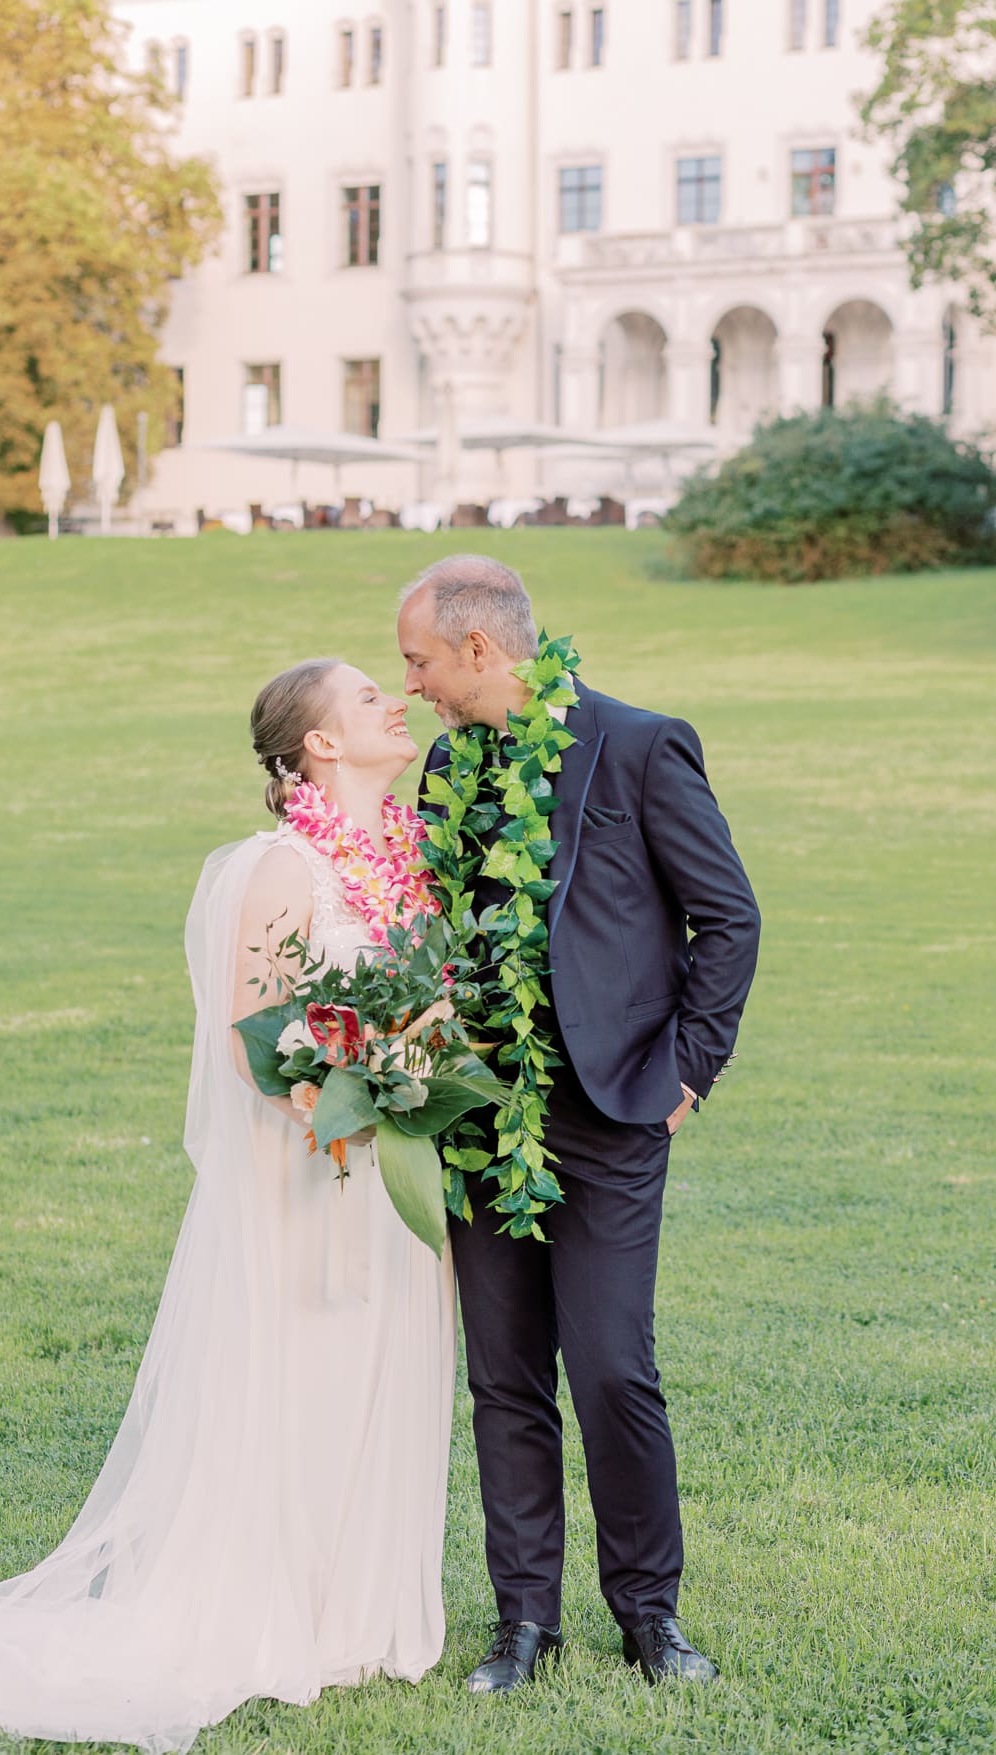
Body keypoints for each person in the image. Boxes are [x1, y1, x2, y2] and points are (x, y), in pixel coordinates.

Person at [0, 661, 455, 1752]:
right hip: (307, 1169)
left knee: (381, 1374)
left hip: (388, 1171)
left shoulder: (406, 866)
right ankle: (269, 1613)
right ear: (316, 747)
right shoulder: (277, 869)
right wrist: (350, 1092)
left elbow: (424, 1008)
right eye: (364, 698)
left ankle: (356, 1615)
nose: (390, 704)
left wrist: (415, 1068)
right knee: (304, 1373)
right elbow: (259, 1040)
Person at [397, 555, 761, 1694]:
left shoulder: (642, 745)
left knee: (611, 1371)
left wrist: (684, 1073)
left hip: (611, 1114)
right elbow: (429, 926)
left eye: (417, 661)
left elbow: (729, 917)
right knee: (505, 1381)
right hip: (480, 1117)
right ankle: (523, 1625)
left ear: (478, 651)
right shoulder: (449, 766)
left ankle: (651, 1617)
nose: (410, 686)